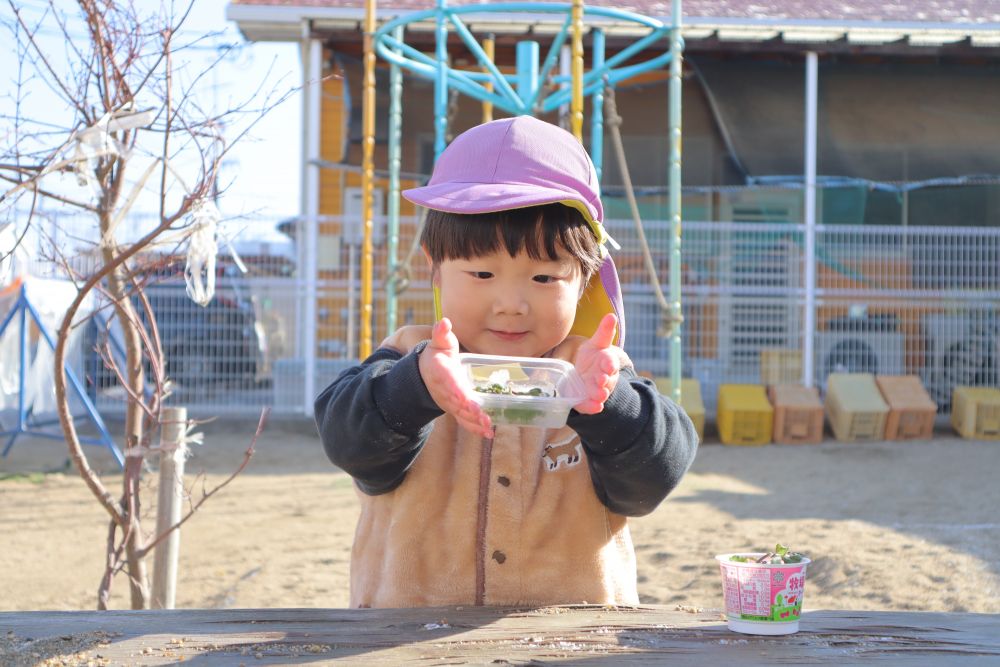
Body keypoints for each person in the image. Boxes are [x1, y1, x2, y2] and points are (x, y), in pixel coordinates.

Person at [315, 115, 698, 609]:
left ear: (583, 279)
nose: (511, 303)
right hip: (410, 642)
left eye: (543, 278)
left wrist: (610, 408)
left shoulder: (590, 369)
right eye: (482, 272)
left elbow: (648, 485)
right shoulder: (408, 359)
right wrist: (414, 391)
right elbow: (349, 445)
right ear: (433, 264)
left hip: (571, 642)